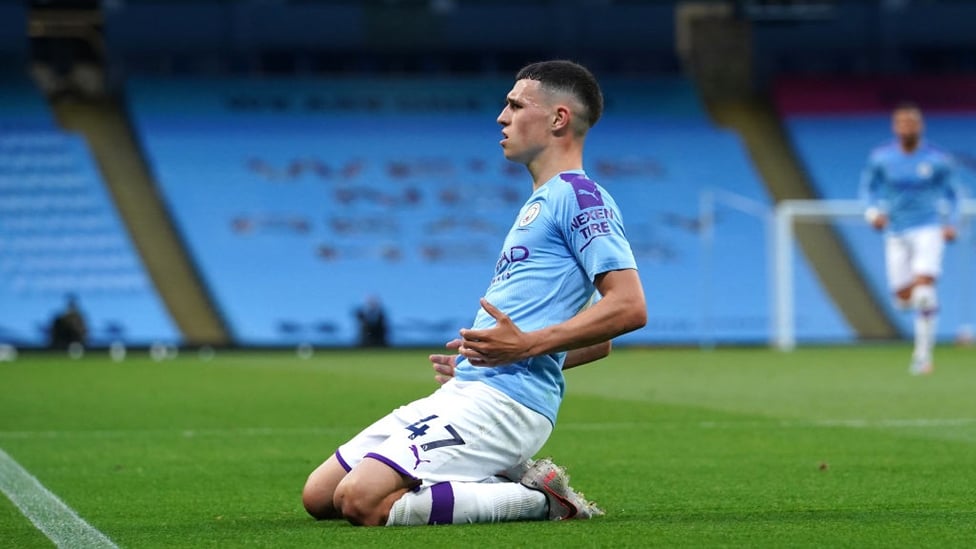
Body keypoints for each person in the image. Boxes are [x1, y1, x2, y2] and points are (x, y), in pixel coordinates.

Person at [301, 60, 647, 527]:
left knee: (361, 502)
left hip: (508, 404)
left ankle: (542, 500)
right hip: (472, 387)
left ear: (558, 119)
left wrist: (525, 347)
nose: (501, 117)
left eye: (515, 104)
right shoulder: (542, 200)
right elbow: (597, 340)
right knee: (320, 496)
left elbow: (628, 306)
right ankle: (493, 476)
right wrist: (486, 356)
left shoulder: (580, 197)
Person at [860, 103, 961, 375]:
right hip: (896, 232)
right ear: (895, 128)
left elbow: (952, 195)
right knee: (904, 299)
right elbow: (868, 188)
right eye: (901, 123)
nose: (907, 127)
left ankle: (922, 357)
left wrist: (950, 223)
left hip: (928, 229)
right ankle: (920, 308)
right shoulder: (881, 158)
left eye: (911, 123)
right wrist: (872, 213)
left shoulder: (937, 159)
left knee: (925, 290)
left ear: (920, 126)